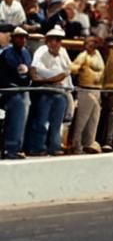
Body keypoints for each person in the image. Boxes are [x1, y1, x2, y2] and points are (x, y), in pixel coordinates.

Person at [26, 26, 72, 156]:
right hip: (45, 91)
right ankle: (37, 147)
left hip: (60, 91)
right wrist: (53, 79)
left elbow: (68, 71)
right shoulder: (41, 51)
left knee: (56, 123)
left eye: (58, 40)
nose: (55, 43)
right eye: (52, 39)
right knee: (41, 121)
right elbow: (34, 73)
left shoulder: (63, 52)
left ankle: (54, 146)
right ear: (47, 41)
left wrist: (59, 79)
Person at [0, 25, 33, 159]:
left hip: (22, 89)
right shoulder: (6, 54)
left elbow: (28, 74)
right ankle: (11, 148)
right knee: (19, 103)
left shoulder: (26, 53)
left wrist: (26, 83)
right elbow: (2, 77)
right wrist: (13, 86)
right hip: (7, 91)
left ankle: (18, 146)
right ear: (13, 39)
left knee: (26, 100)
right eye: (19, 37)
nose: (22, 40)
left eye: (24, 38)